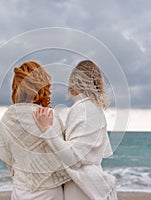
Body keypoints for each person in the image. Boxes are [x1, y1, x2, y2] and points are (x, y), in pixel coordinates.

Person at [33, 60, 118, 200]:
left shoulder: (82, 108)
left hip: (80, 187)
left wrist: (46, 128)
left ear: (75, 83)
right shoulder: (96, 109)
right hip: (91, 182)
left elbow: (73, 159)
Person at [0, 61, 71, 200]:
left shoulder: (5, 119)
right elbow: (64, 154)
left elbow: (7, 158)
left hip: (20, 190)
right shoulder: (50, 116)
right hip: (50, 190)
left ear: (16, 87)